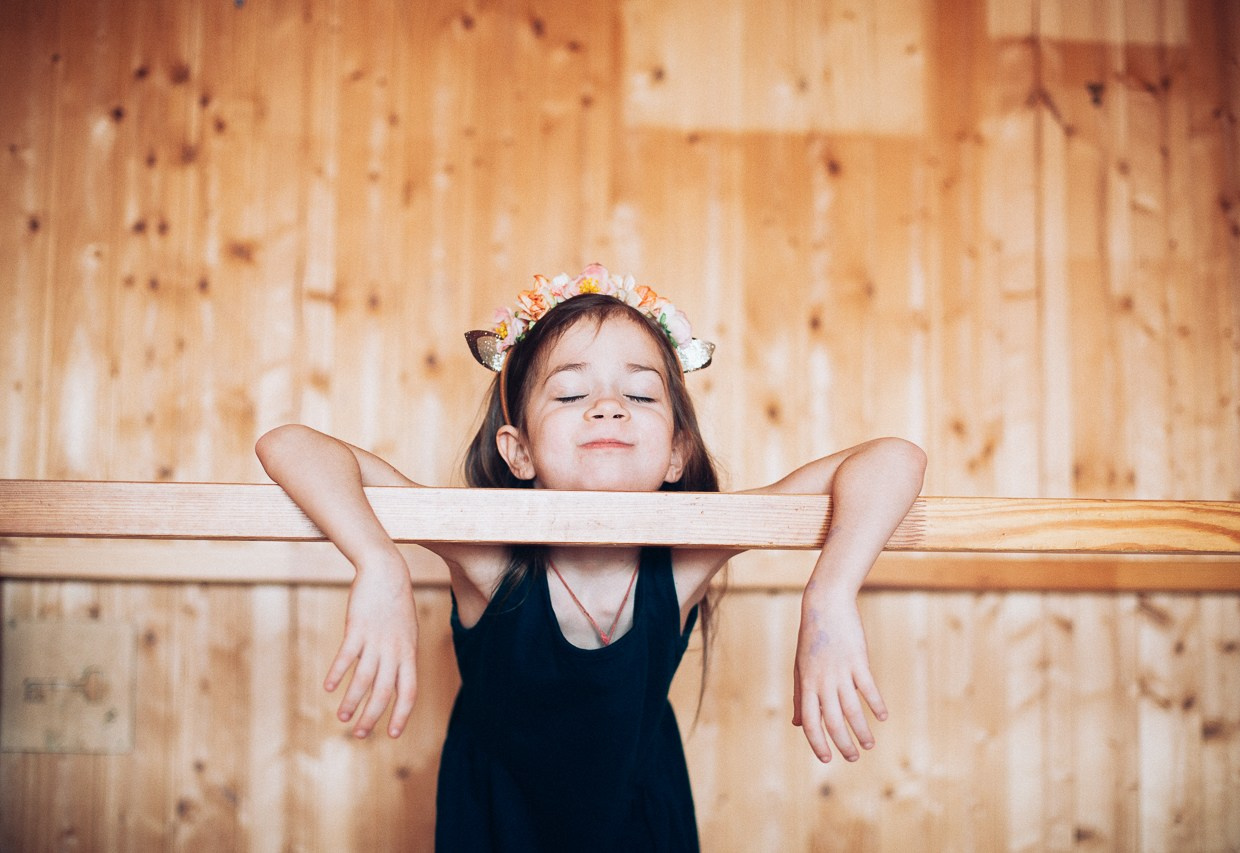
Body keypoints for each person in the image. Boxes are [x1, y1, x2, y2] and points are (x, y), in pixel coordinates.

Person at [255, 263, 926, 851]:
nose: (607, 407)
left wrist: (831, 592)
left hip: (643, 826)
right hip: (495, 827)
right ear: (518, 452)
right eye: (572, 394)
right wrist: (379, 562)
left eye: (639, 394)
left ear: (675, 454)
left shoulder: (685, 563)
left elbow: (893, 457)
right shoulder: (488, 563)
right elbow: (290, 443)